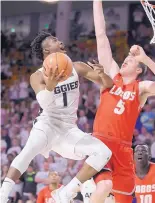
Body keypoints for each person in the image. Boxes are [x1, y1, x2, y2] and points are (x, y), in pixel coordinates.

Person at [0, 31, 112, 203]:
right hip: (47, 124)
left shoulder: (77, 66)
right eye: (54, 40)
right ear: (46, 50)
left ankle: (65, 194)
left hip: (68, 130)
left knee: (104, 152)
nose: (60, 41)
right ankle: (2, 194)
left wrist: (103, 74)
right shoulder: (37, 76)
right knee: (28, 151)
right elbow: (44, 103)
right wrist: (50, 86)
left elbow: (108, 84)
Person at [90, 1, 155, 203]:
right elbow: (101, 34)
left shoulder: (141, 88)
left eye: (132, 59)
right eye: (127, 56)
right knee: (104, 186)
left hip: (125, 151)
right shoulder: (112, 75)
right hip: (102, 144)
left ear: (138, 69)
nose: (127, 57)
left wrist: (145, 59)